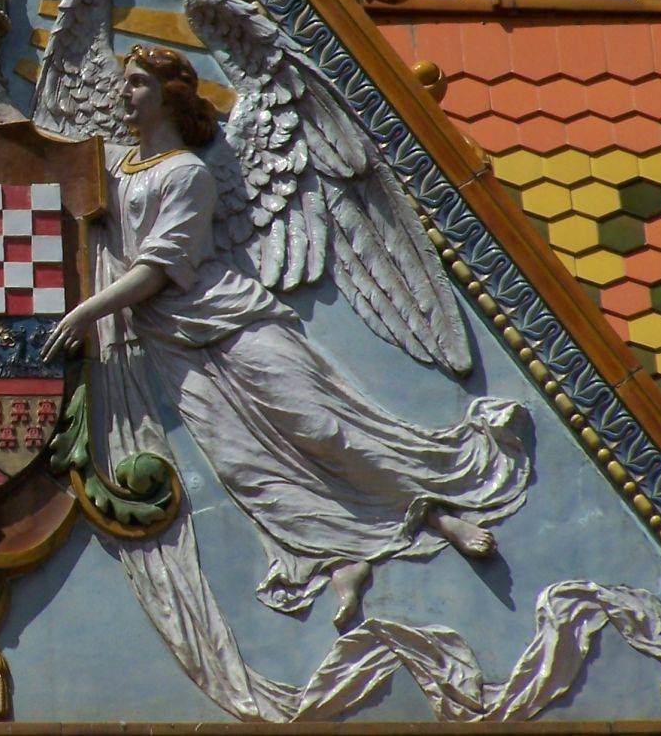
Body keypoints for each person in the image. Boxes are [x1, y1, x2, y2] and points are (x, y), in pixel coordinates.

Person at [35, 45, 530, 625]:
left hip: (229, 317)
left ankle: (437, 511)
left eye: (137, 82)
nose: (123, 92)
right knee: (242, 462)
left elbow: (158, 268)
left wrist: (85, 314)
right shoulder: (115, 166)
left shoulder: (189, 174)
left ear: (169, 97)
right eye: (126, 82)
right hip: (169, 340)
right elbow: (33, 142)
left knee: (318, 424)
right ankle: (337, 556)